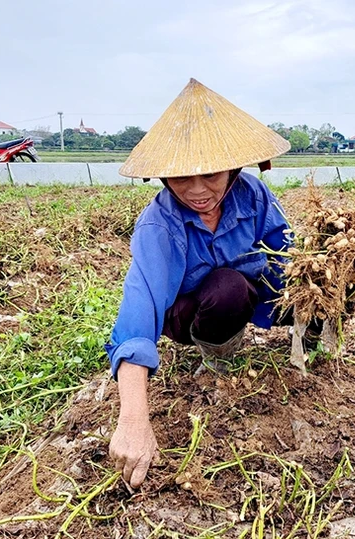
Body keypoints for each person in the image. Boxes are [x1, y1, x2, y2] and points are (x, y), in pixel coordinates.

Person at [105, 78, 293, 488]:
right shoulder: (158, 226)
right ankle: (218, 354)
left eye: (209, 174)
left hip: (253, 295)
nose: (196, 191)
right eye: (180, 177)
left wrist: (312, 295)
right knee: (227, 288)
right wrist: (134, 420)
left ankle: (312, 342)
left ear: (233, 167)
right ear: (163, 178)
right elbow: (138, 316)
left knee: (325, 283)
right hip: (191, 314)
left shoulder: (254, 196)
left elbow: (287, 254)